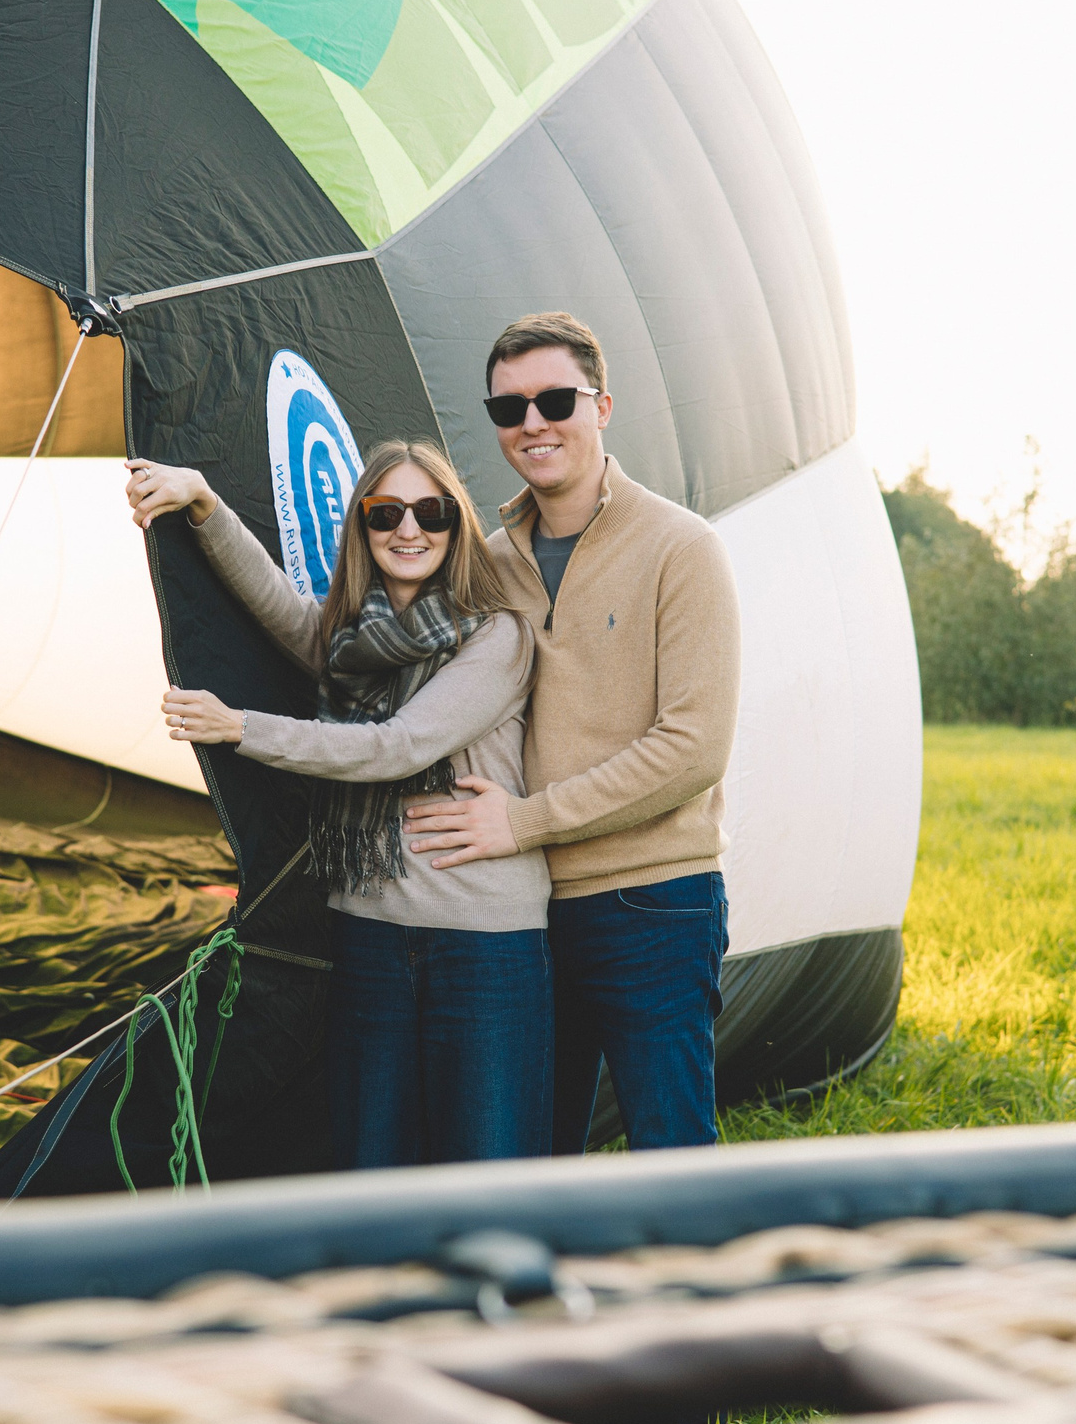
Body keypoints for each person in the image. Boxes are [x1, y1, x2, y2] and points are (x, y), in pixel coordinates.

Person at [124, 441, 552, 1167]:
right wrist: (204, 504)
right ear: (362, 526)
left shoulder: (496, 635)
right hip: (370, 933)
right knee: (371, 1161)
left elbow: (399, 745)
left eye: (431, 512)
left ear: (457, 526)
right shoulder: (356, 639)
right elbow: (285, 611)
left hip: (481, 945)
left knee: (485, 1164)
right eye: (386, 513)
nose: (408, 529)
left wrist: (241, 727)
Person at [402, 312, 741, 1154]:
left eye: (555, 400)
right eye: (508, 408)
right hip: (525, 910)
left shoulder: (682, 548)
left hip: (654, 900)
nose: (533, 423)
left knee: (671, 1153)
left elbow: (693, 747)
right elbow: (375, 644)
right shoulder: (487, 562)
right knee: (536, 1155)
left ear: (603, 406)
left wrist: (524, 820)